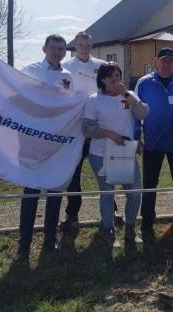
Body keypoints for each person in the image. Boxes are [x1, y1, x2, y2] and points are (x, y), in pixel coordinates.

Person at [13, 34, 74, 262]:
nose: (57, 52)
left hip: (57, 143)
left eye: (61, 48)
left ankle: (50, 239)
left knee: (55, 192)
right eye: (53, 48)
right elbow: (15, 98)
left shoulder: (67, 76)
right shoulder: (29, 71)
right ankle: (24, 245)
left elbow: (70, 105)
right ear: (44, 49)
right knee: (31, 194)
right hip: (32, 141)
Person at [82, 62, 150, 246]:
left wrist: (126, 94)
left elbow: (143, 114)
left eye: (117, 76)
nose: (114, 80)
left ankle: (130, 229)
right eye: (110, 76)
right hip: (101, 154)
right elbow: (86, 128)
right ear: (102, 80)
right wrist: (108, 133)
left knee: (135, 193)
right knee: (107, 194)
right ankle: (109, 229)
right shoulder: (94, 99)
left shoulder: (128, 96)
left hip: (125, 154)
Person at [60, 32, 121, 230]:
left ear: (91, 46)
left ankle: (111, 210)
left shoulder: (101, 66)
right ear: (75, 46)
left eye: (87, 45)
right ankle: (72, 213)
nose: (84, 49)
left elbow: (113, 91)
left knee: (105, 169)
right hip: (75, 126)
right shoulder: (66, 67)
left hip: (99, 126)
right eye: (80, 45)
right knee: (74, 171)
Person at [135, 47, 173, 233]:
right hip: (153, 142)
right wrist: (137, 137)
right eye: (163, 60)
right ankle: (147, 222)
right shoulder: (144, 83)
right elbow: (135, 112)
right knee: (150, 183)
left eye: (170, 60)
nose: (166, 63)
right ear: (156, 61)